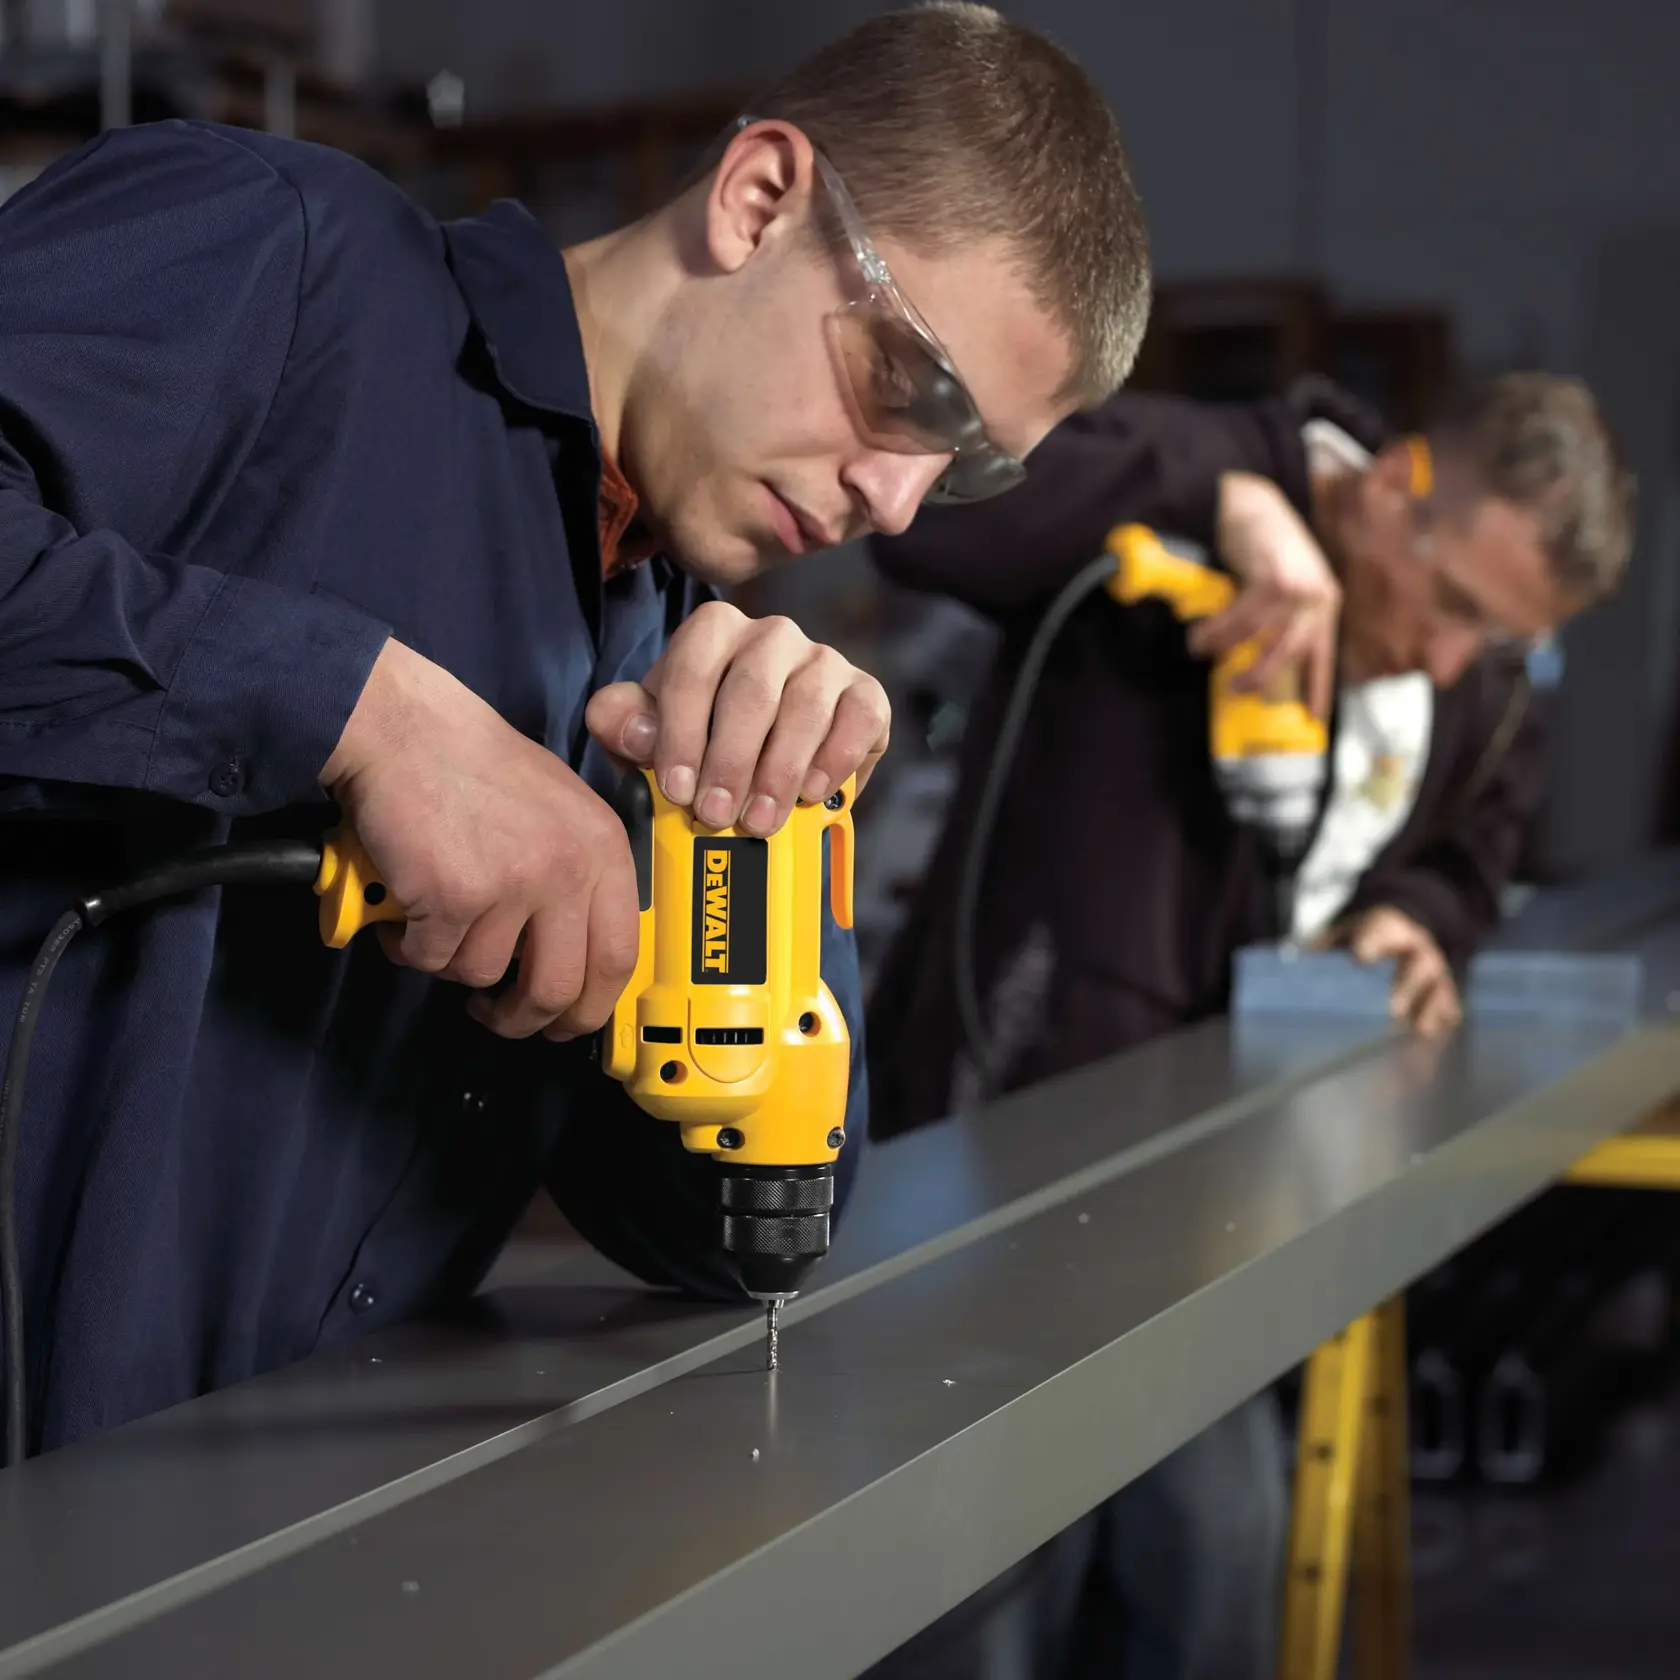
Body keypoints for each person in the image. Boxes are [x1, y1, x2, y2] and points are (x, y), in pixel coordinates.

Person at [0, 2, 1150, 1455]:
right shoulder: (282, 256)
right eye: (907, 391)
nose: (897, 500)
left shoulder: (681, 686)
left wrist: (762, 878)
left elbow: (742, 1244)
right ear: (759, 199)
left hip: (269, 1526)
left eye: (965, 469)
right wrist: (360, 711)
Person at [864, 371, 1633, 1678]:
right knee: (991, 1601)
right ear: (1389, 488)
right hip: (1013, 1149)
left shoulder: (1481, 683)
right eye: (1454, 606)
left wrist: (1416, 919)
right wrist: (1225, 499)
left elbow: (1475, 843)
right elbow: (928, 518)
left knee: (1218, 1564)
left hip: (1220, 1213)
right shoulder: (1193, 478)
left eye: (1502, 643)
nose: (1453, 661)